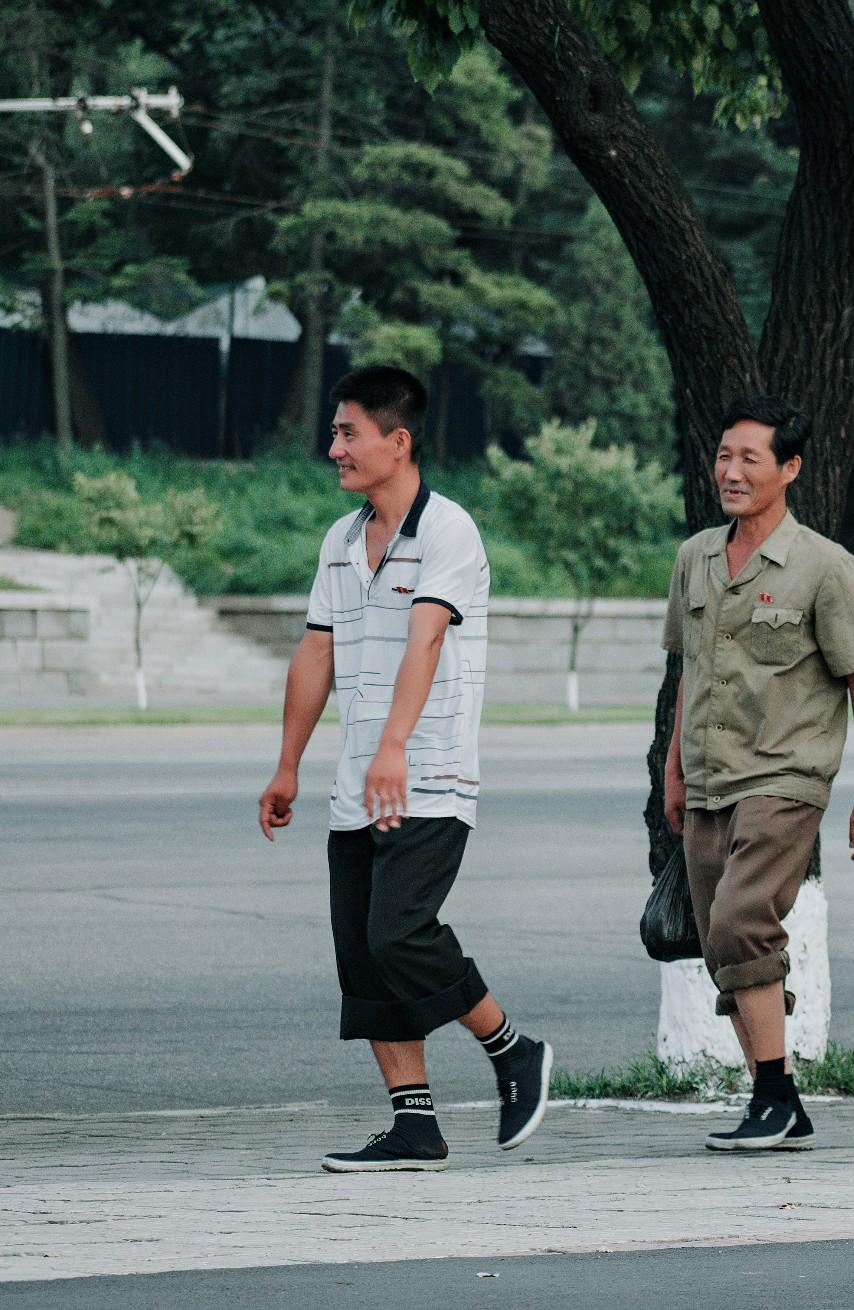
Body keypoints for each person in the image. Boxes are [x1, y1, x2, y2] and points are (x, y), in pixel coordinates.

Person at [258, 364, 552, 1174]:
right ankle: (414, 1125)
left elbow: (426, 638)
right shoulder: (341, 540)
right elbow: (316, 653)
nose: (333, 448)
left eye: (347, 433)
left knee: (400, 933)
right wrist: (287, 766)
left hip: (429, 772)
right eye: (334, 432)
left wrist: (394, 744)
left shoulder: (449, 531)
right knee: (364, 953)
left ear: (398, 440)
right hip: (357, 781)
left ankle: (513, 1048)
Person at [660, 395, 854, 1151]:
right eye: (724, 456)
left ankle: (774, 1095)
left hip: (785, 775)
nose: (730, 471)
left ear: (789, 469)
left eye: (749, 458)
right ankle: (779, 1099)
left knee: (739, 920)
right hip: (708, 777)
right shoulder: (694, 557)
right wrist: (673, 770)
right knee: (722, 943)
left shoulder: (825, 566)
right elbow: (690, 673)